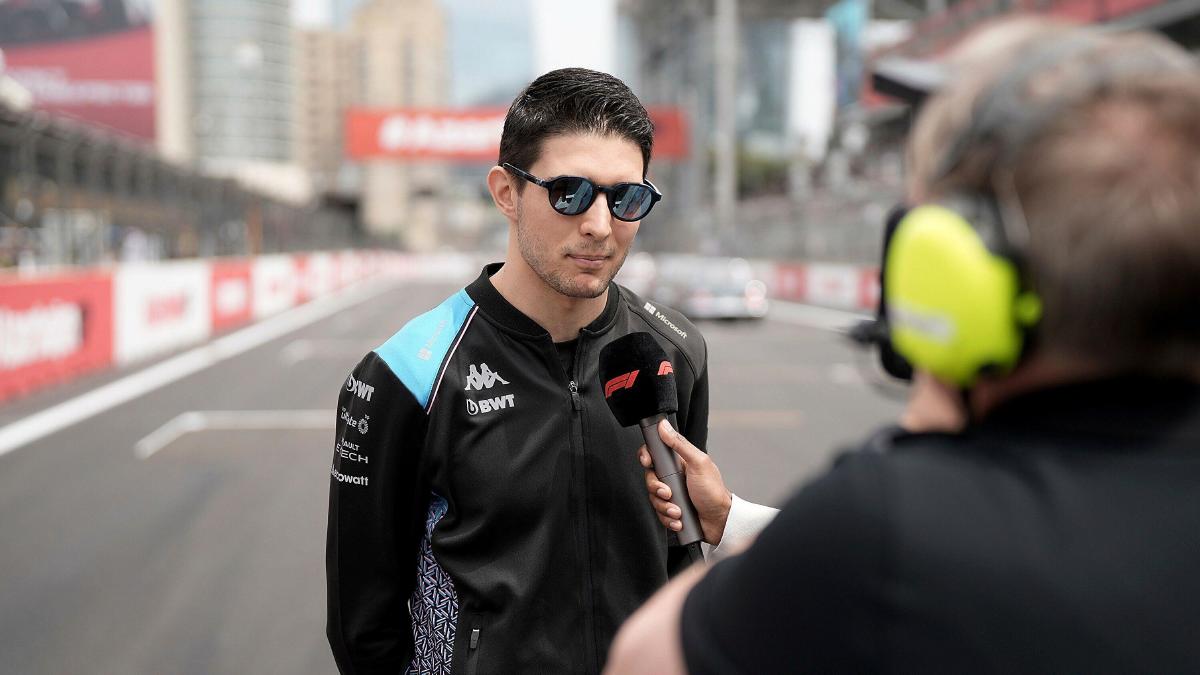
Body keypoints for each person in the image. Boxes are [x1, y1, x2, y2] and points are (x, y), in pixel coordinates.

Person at [608, 19, 1200, 674]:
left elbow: (642, 655)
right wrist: (743, 518)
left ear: (944, 277)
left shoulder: (888, 528)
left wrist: (921, 426)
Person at [325, 68, 711, 675]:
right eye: (570, 193)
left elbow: (682, 558)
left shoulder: (674, 351)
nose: (600, 225)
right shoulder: (404, 375)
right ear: (506, 192)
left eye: (627, 198)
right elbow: (363, 626)